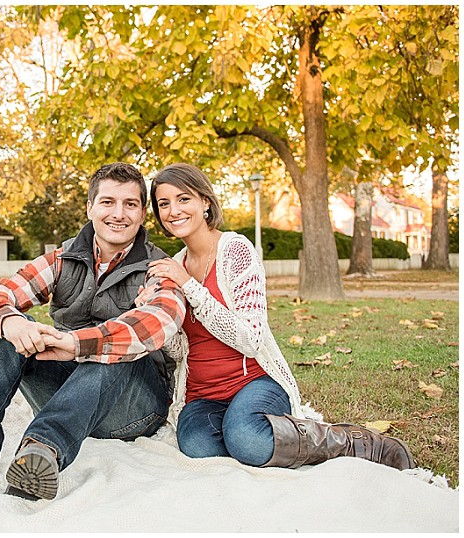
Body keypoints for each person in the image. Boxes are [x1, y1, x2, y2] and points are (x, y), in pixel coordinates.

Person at [0, 162, 186, 500]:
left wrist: (76, 344)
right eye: (107, 202)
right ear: (90, 208)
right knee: (13, 328)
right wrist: (10, 321)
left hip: (133, 409)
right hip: (69, 393)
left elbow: (160, 322)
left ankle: (41, 452)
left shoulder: (157, 267)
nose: (118, 213)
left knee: (120, 344)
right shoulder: (63, 258)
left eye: (130, 204)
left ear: (142, 213)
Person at [139, 162, 414, 471]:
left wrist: (189, 285)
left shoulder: (235, 251)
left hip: (254, 382)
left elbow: (251, 340)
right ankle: (249, 434)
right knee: (198, 448)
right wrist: (153, 319)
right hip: (202, 394)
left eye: (183, 198)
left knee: (247, 439)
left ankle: (347, 440)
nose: (173, 210)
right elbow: (182, 349)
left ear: (205, 202)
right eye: (164, 203)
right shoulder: (176, 265)